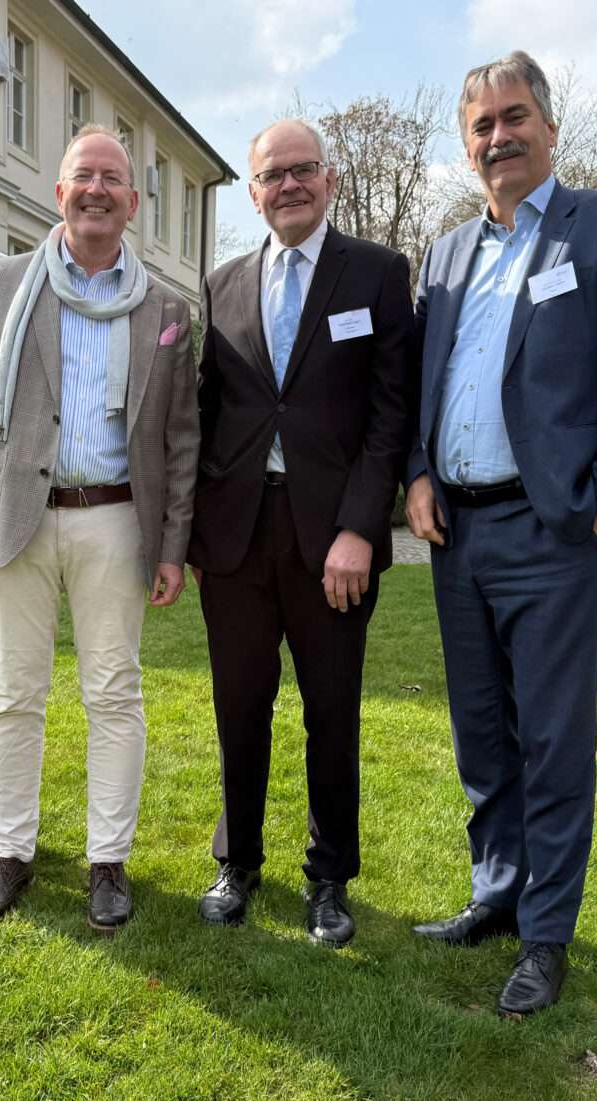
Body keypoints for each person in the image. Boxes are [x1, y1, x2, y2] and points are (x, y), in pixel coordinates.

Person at [403, 52, 597, 1015]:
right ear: (466, 143)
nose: (497, 138)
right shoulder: (443, 254)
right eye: (480, 125)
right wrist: (417, 473)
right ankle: (497, 892)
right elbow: (419, 385)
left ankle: (547, 935)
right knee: (484, 735)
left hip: (553, 531)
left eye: (513, 117)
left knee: (553, 739)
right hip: (457, 536)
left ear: (550, 126)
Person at [0, 125, 200, 933]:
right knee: (13, 694)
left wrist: (174, 547)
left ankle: (107, 861)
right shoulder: (6, 286)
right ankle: (10, 854)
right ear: (59, 194)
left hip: (118, 520)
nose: (96, 190)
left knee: (114, 693)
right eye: (82, 176)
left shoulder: (166, 309)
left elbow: (182, 439)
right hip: (13, 522)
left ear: (133, 201)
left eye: (111, 179)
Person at [187, 119, 412, 948]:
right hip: (237, 539)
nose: (289, 184)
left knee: (332, 712)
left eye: (303, 170)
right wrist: (194, 538)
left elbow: (392, 415)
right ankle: (237, 863)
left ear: (330, 180)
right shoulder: (223, 284)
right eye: (273, 174)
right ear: (253, 193)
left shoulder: (380, 275)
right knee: (239, 707)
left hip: (334, 542)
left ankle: (328, 880)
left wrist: (360, 527)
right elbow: (207, 414)